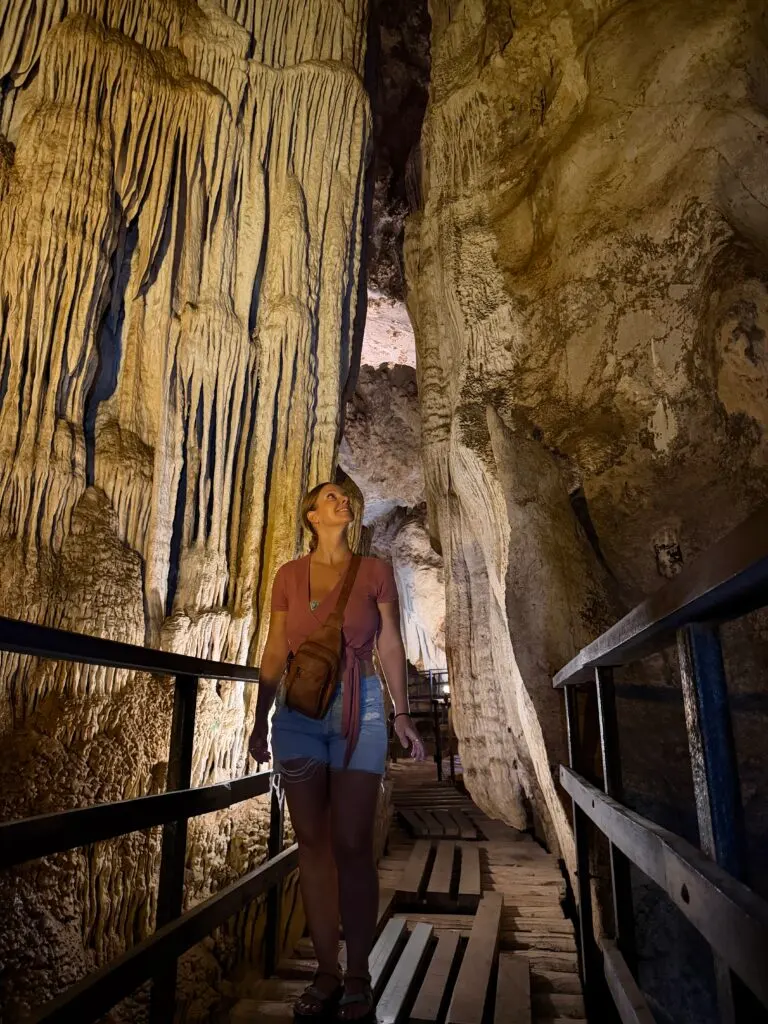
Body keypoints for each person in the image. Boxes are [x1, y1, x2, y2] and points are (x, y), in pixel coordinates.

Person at [249, 481, 426, 1020]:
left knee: (351, 843)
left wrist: (403, 713)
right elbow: (277, 646)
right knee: (313, 845)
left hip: (362, 708)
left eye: (345, 497)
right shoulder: (287, 576)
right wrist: (259, 717)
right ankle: (326, 972)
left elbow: (390, 643)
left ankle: (358, 973)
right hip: (299, 716)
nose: (342, 501)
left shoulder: (374, 572)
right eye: (330, 497)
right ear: (310, 514)